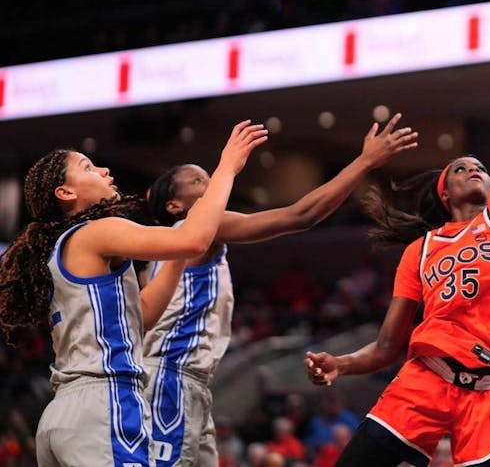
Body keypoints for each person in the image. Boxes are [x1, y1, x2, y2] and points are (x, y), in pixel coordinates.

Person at [303, 0, 490, 467]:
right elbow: (385, 347)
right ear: (444, 192)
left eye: (480, 167)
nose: (475, 169)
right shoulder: (420, 252)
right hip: (423, 380)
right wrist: (341, 363)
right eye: (461, 167)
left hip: (489, 389)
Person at [142, 114, 418, 466]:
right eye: (199, 181)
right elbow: (300, 215)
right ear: (174, 207)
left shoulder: (160, 253)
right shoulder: (192, 227)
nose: (211, 186)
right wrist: (365, 161)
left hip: (185, 381)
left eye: (211, 178)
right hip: (171, 379)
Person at [0, 120, 267, 467]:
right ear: (66, 193)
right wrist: (226, 168)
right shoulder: (97, 230)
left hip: (62, 415)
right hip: (104, 402)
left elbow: (139, 316)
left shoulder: (60, 250)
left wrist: (176, 258)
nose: (103, 169)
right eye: (87, 167)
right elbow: (195, 239)